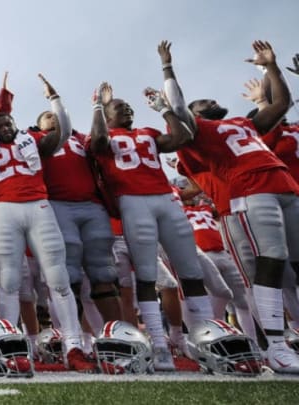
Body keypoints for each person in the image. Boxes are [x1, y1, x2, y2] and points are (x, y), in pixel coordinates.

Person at [166, 40, 299, 373]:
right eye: (204, 101)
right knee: (268, 266)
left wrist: (270, 67)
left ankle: (284, 339)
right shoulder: (194, 134)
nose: (213, 100)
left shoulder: (244, 124)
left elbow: (282, 103)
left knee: (293, 266)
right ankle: (275, 346)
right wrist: (168, 69)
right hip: (246, 194)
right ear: (193, 116)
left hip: (283, 185)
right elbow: (180, 110)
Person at [0, 73, 96, 372]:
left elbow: (64, 132)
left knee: (58, 279)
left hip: (39, 207)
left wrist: (55, 98)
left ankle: (73, 346)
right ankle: (9, 343)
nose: (3, 127)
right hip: (6, 210)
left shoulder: (33, 140)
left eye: (7, 123)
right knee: (9, 281)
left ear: (15, 124)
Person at [90, 49, 212, 370]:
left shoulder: (147, 133)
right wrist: (99, 107)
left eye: (129, 106)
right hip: (133, 201)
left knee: (190, 271)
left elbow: (181, 138)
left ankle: (205, 337)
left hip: (165, 199)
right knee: (145, 274)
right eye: (120, 106)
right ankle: (158, 344)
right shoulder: (105, 134)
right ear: (107, 114)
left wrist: (164, 110)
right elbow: (98, 143)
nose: (127, 108)